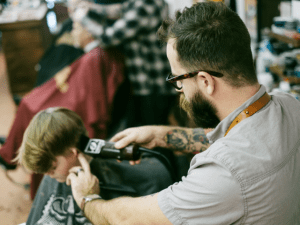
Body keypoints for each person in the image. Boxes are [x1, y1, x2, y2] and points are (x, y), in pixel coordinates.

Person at [65, 2, 300, 224]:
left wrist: (88, 199)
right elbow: (240, 139)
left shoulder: (221, 174)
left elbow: (126, 219)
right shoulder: (289, 105)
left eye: (178, 79)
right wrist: (162, 135)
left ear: (205, 81)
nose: (179, 89)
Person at [15, 107, 175, 224]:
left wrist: (90, 198)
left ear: (73, 152)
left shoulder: (150, 175)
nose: (49, 175)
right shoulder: (59, 174)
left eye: (52, 168)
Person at [71, 0, 178, 127]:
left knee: (154, 130)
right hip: (144, 82)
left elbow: (109, 37)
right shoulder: (138, 3)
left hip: (154, 83)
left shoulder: (147, 4)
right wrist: (88, 7)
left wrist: (82, 18)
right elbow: (117, 10)